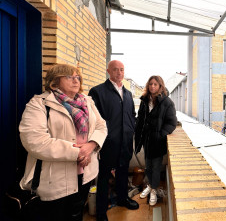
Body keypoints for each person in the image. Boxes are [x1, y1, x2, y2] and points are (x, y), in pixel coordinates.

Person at [19, 64, 107, 221]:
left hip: (85, 173)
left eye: (77, 77)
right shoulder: (39, 103)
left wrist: (92, 145)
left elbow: (101, 126)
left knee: (77, 213)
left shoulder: (87, 101)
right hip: (55, 179)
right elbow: (35, 141)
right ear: (54, 81)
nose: (75, 80)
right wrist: (79, 152)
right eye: (69, 77)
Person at [88, 60, 138, 221]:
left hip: (125, 142)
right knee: (103, 176)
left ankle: (123, 199)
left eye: (122, 69)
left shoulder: (128, 93)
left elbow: (131, 115)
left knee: (123, 172)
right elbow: (94, 119)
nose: (119, 72)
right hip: (107, 143)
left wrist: (131, 129)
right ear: (108, 71)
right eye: (115, 69)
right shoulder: (97, 92)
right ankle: (101, 211)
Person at [135, 75, 177, 206]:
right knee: (148, 166)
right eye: (150, 84)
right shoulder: (144, 101)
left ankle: (154, 190)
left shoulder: (166, 102)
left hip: (158, 142)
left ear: (160, 86)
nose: (152, 86)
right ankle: (150, 186)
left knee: (156, 167)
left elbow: (172, 123)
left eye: (155, 84)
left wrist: (161, 134)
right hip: (147, 140)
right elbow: (140, 119)